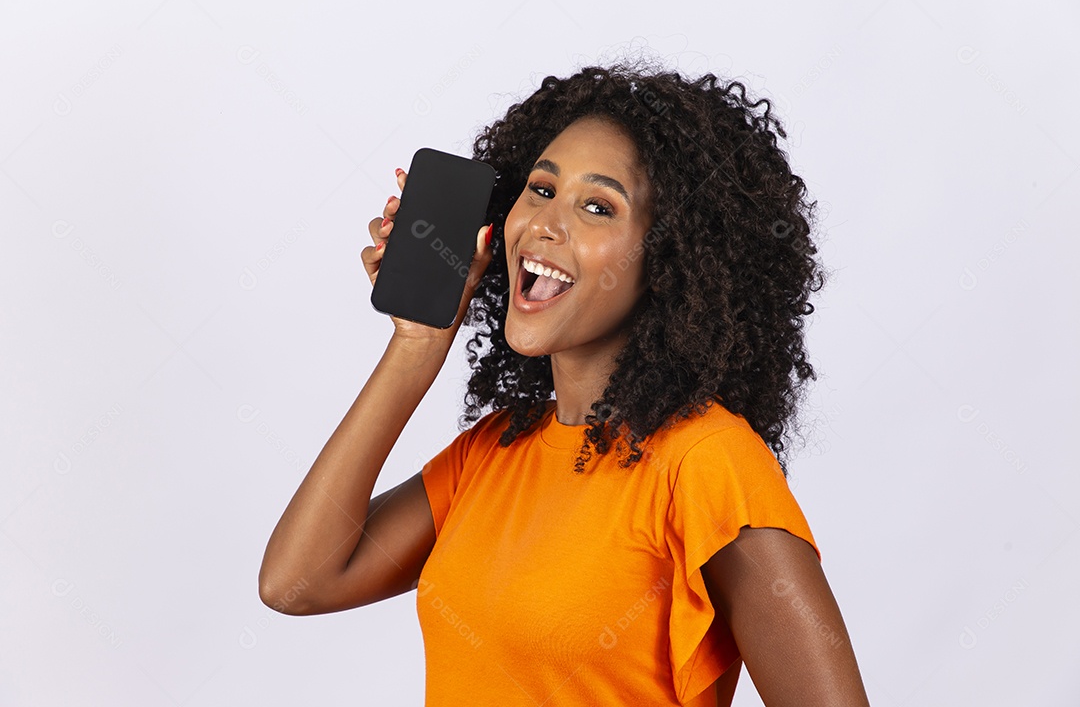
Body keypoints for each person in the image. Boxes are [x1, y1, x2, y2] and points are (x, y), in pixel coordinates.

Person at [259, 59, 871, 706]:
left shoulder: (707, 463)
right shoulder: (497, 450)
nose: (548, 225)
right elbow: (298, 583)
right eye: (542, 190)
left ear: (670, 260)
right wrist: (416, 348)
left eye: (598, 206)